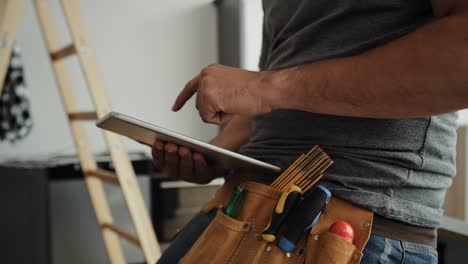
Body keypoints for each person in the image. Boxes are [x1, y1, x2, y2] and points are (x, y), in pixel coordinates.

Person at [154, 0, 468, 263]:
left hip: (352, 230)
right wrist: (218, 153)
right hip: (238, 206)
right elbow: (283, 85)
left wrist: (266, 86)